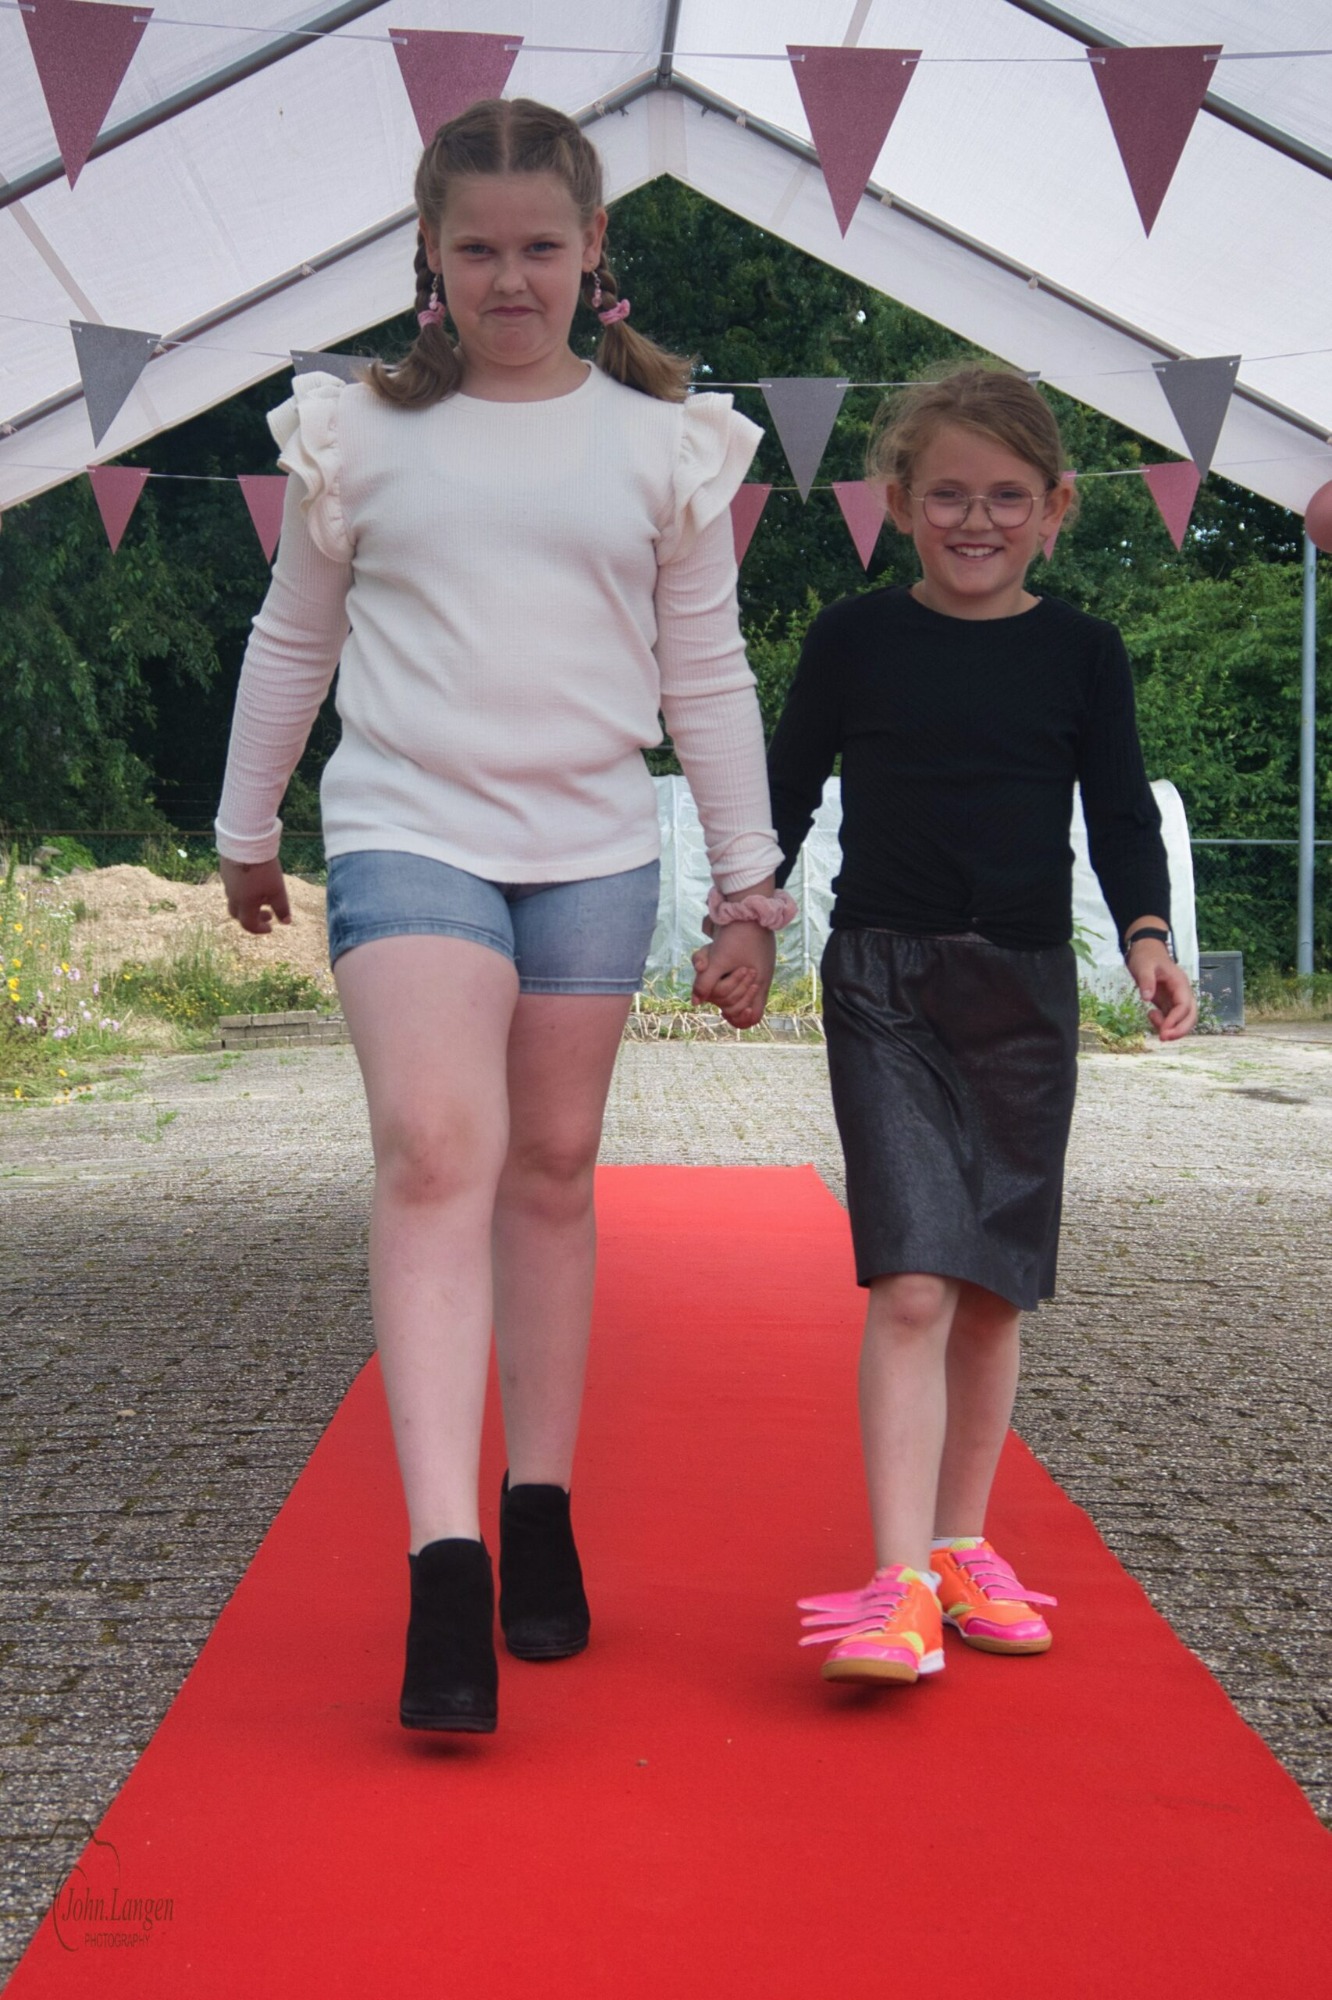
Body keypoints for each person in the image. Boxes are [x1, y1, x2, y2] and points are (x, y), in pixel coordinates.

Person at [214, 97, 793, 1735]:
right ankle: (445, 1568)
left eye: (542, 247)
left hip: (592, 845)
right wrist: (246, 827)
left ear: (595, 249)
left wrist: (747, 886)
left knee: (548, 1167)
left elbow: (707, 675)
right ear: (430, 252)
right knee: (435, 1151)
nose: (511, 278)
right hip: (408, 827)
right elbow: (291, 638)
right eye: (478, 249)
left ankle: (540, 1508)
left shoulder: (668, 444)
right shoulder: (353, 434)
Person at [764, 364, 1196, 1688]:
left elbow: (1119, 810)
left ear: (1056, 509)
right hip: (883, 986)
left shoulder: (1083, 652)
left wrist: (1148, 938)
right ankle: (897, 1580)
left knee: (996, 1290)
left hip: (1024, 995)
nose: (976, 521)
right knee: (912, 1280)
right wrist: (747, 918)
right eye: (947, 495)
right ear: (898, 502)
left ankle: (960, 1546)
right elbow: (784, 790)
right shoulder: (853, 638)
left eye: (1008, 497)